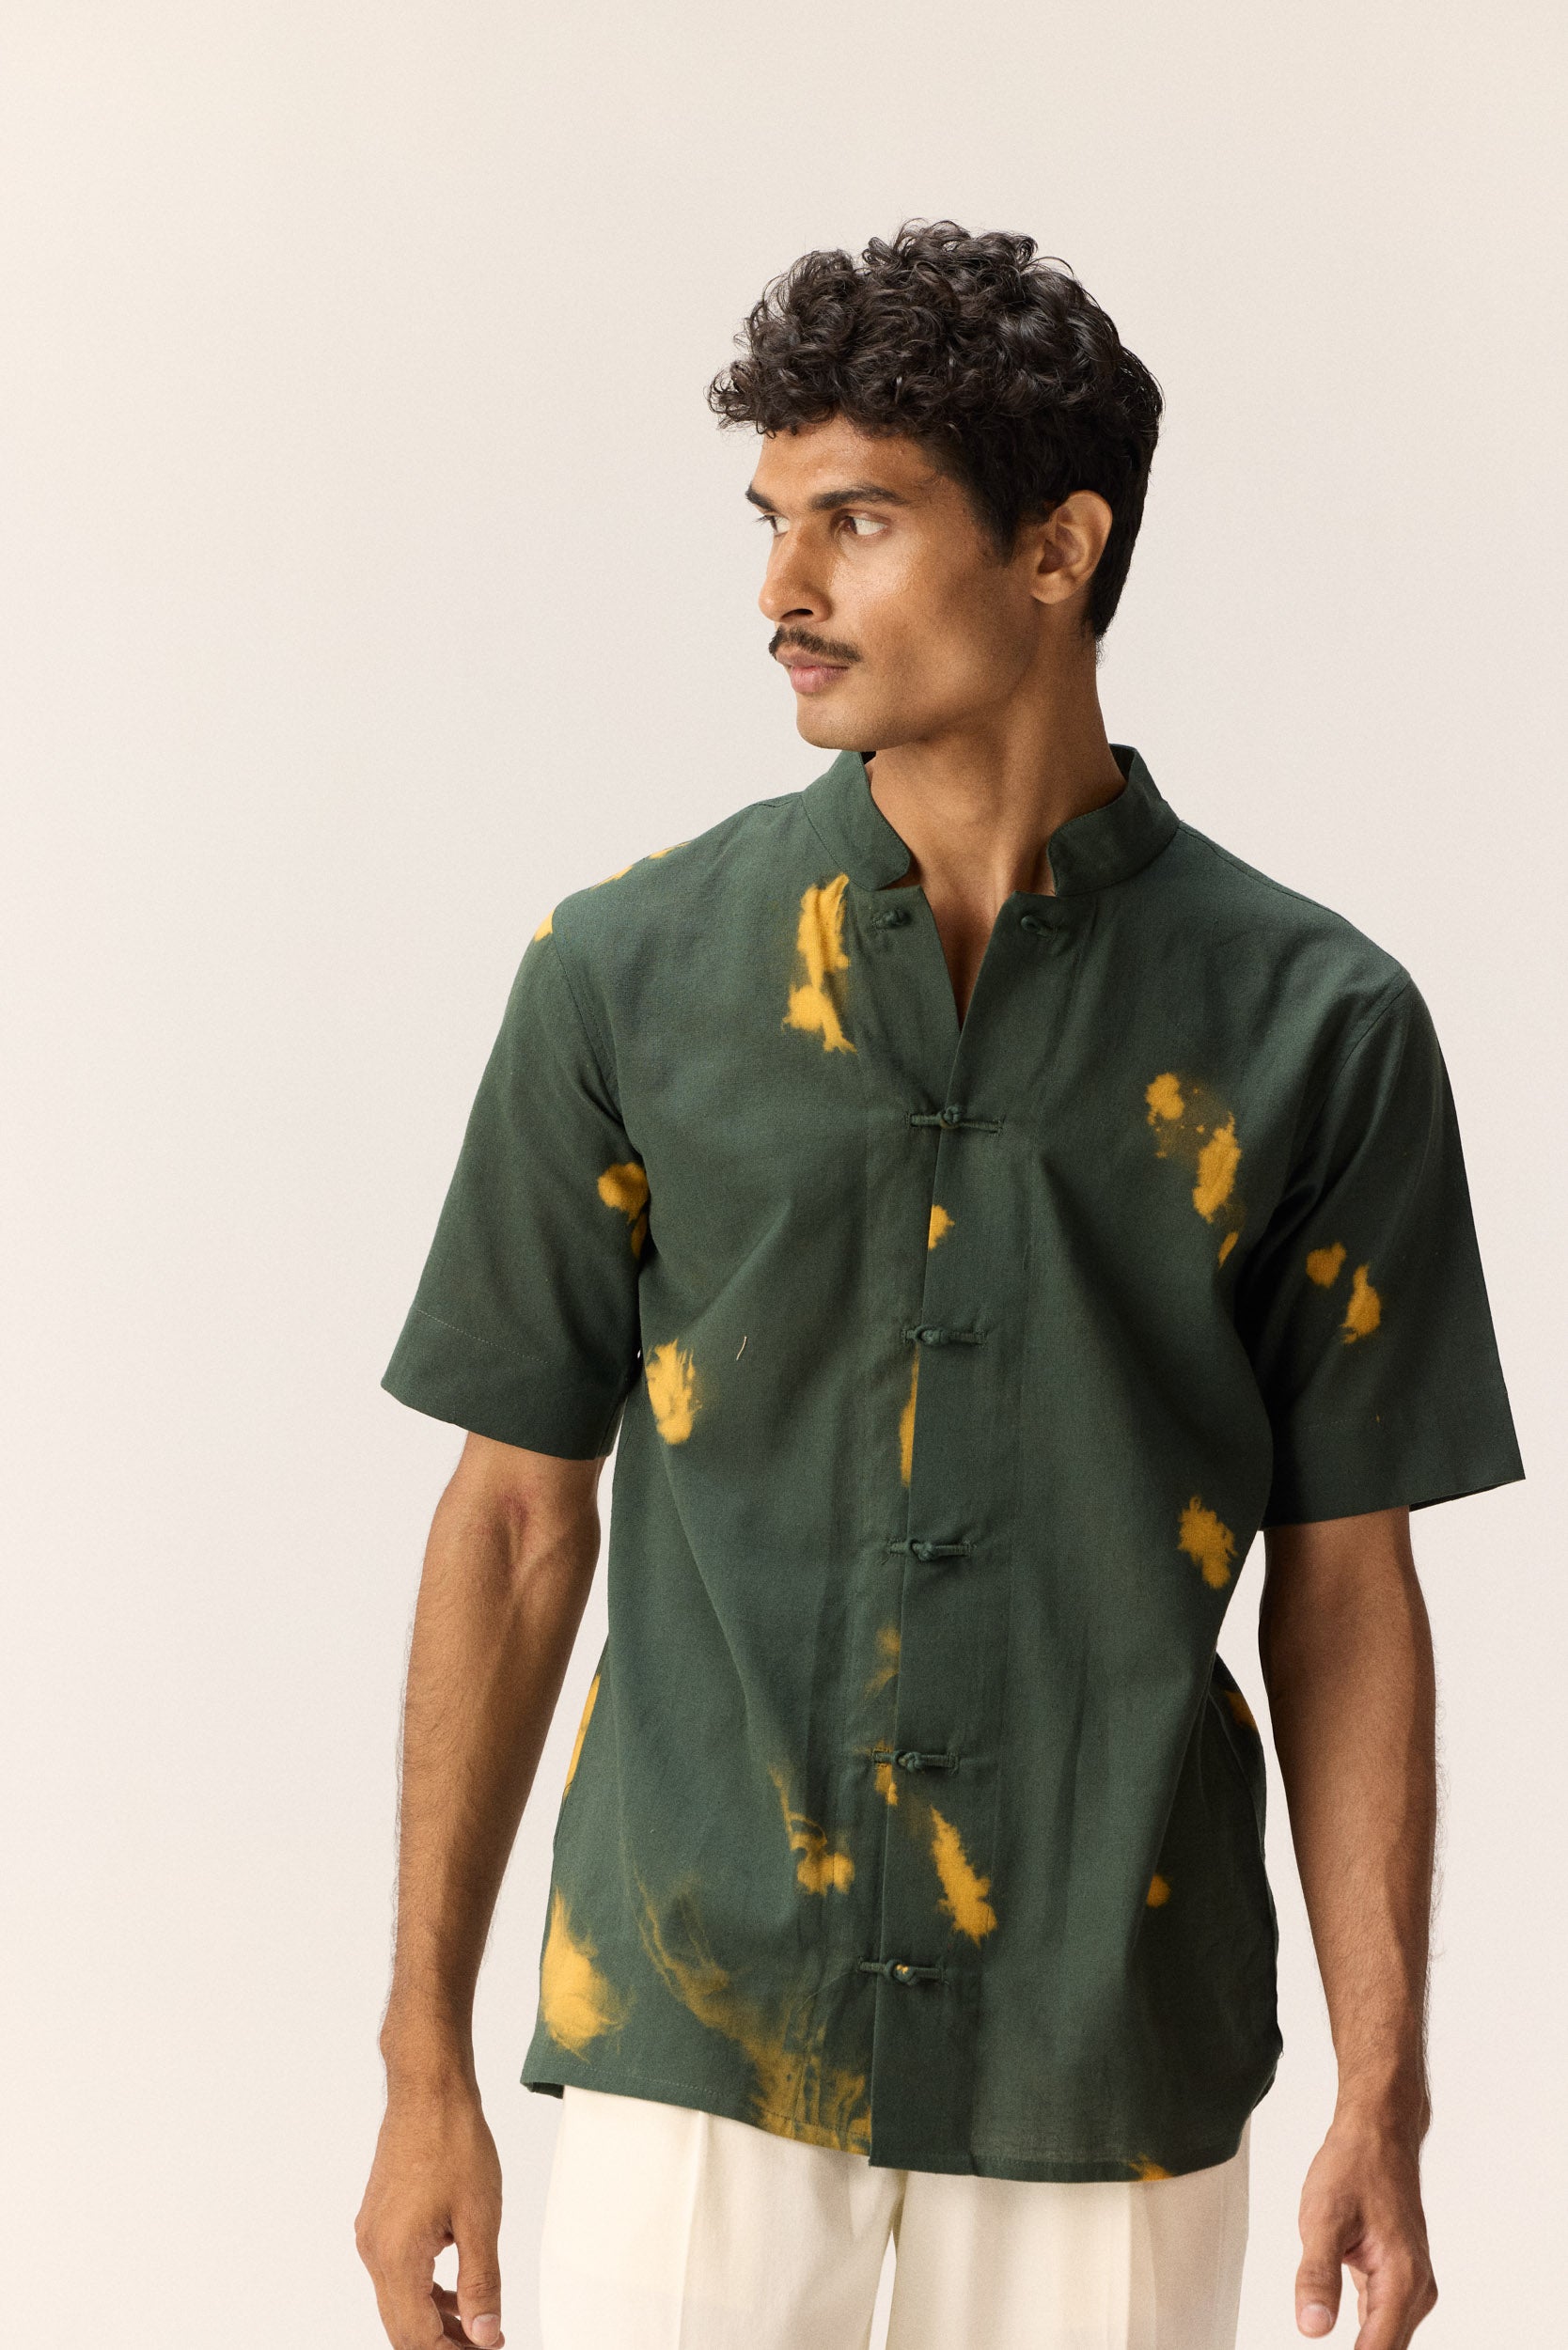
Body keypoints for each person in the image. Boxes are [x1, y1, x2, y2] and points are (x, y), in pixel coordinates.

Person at [353, 220, 1524, 2350]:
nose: (783, 592)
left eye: (860, 520)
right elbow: (515, 1519)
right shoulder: (624, 974)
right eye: (772, 521)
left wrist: (1387, 2085)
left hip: (1110, 2044)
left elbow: (1350, 1580)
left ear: (1059, 547)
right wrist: (420, 2056)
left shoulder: (1316, 1024)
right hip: (694, 2024)